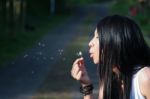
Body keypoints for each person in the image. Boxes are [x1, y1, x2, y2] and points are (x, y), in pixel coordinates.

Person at [71, 15, 150, 99]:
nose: (90, 43)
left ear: (116, 41)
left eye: (97, 37)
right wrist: (86, 84)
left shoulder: (145, 77)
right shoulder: (108, 80)